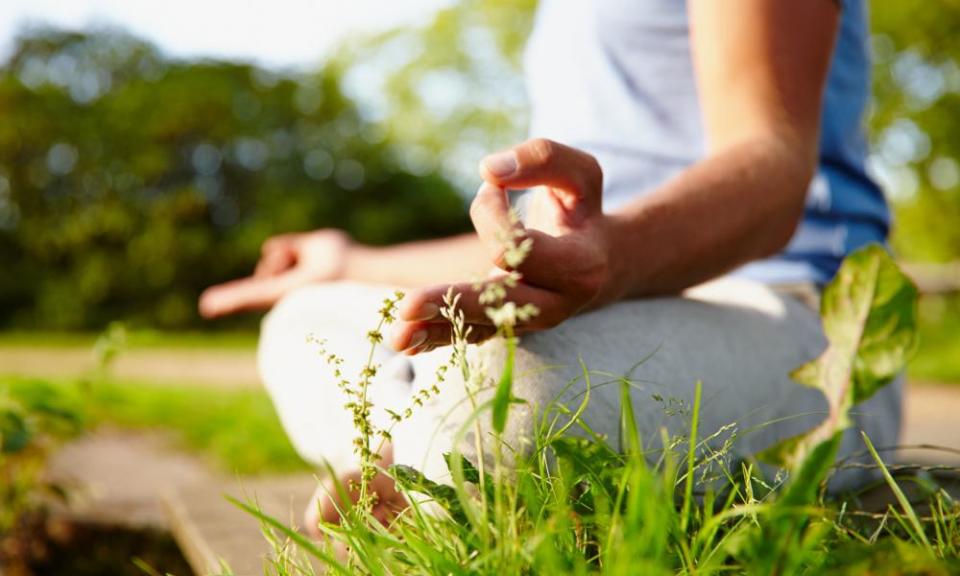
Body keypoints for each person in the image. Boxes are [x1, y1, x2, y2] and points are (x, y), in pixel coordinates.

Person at [199, 0, 901, 534]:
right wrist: (352, 261)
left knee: (516, 398)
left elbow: (774, 166)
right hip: (619, 295)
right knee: (304, 320)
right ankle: (432, 461)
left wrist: (612, 257)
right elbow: (543, 253)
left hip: (794, 308)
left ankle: (425, 458)